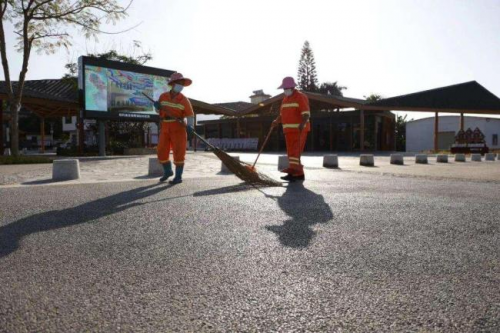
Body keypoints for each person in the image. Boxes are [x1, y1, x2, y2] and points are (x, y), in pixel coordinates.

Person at [154, 73, 194, 184]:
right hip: (165, 126)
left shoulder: (184, 100)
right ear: (173, 84)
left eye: (182, 84)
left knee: (179, 151)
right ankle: (167, 171)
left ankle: (178, 176)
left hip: (179, 127)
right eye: (179, 83)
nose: (181, 86)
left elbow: (190, 115)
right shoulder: (163, 96)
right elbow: (158, 111)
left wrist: (190, 126)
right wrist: (157, 108)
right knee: (161, 150)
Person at [271, 77, 310, 181]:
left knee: (295, 153)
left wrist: (302, 123)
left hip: (299, 130)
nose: (285, 90)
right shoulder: (285, 99)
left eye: (286, 88)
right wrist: (276, 121)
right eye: (284, 88)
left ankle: (294, 173)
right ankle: (298, 174)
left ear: (292, 87)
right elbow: (282, 114)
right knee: (291, 153)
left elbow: (306, 113)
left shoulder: (301, 97)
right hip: (288, 131)